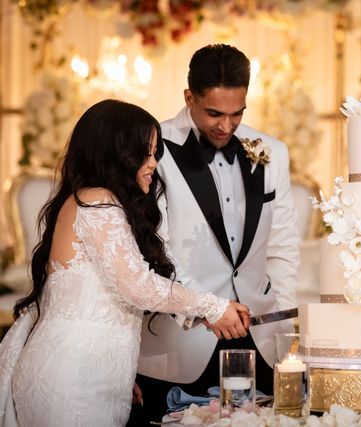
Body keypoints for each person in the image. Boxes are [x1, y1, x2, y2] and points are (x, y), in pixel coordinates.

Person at [0, 99, 250, 427]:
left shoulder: (89, 201)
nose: (153, 164)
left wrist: (116, 369)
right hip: (74, 377)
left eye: (155, 153)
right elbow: (138, 286)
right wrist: (213, 307)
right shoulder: (98, 204)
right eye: (144, 154)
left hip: (87, 372)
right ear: (115, 154)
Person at [131, 44, 300, 423]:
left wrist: (282, 330)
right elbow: (154, 248)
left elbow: (283, 245)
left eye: (237, 113)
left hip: (260, 337)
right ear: (189, 98)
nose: (226, 125)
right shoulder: (154, 148)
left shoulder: (271, 151)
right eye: (214, 113)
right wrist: (206, 308)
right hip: (184, 340)